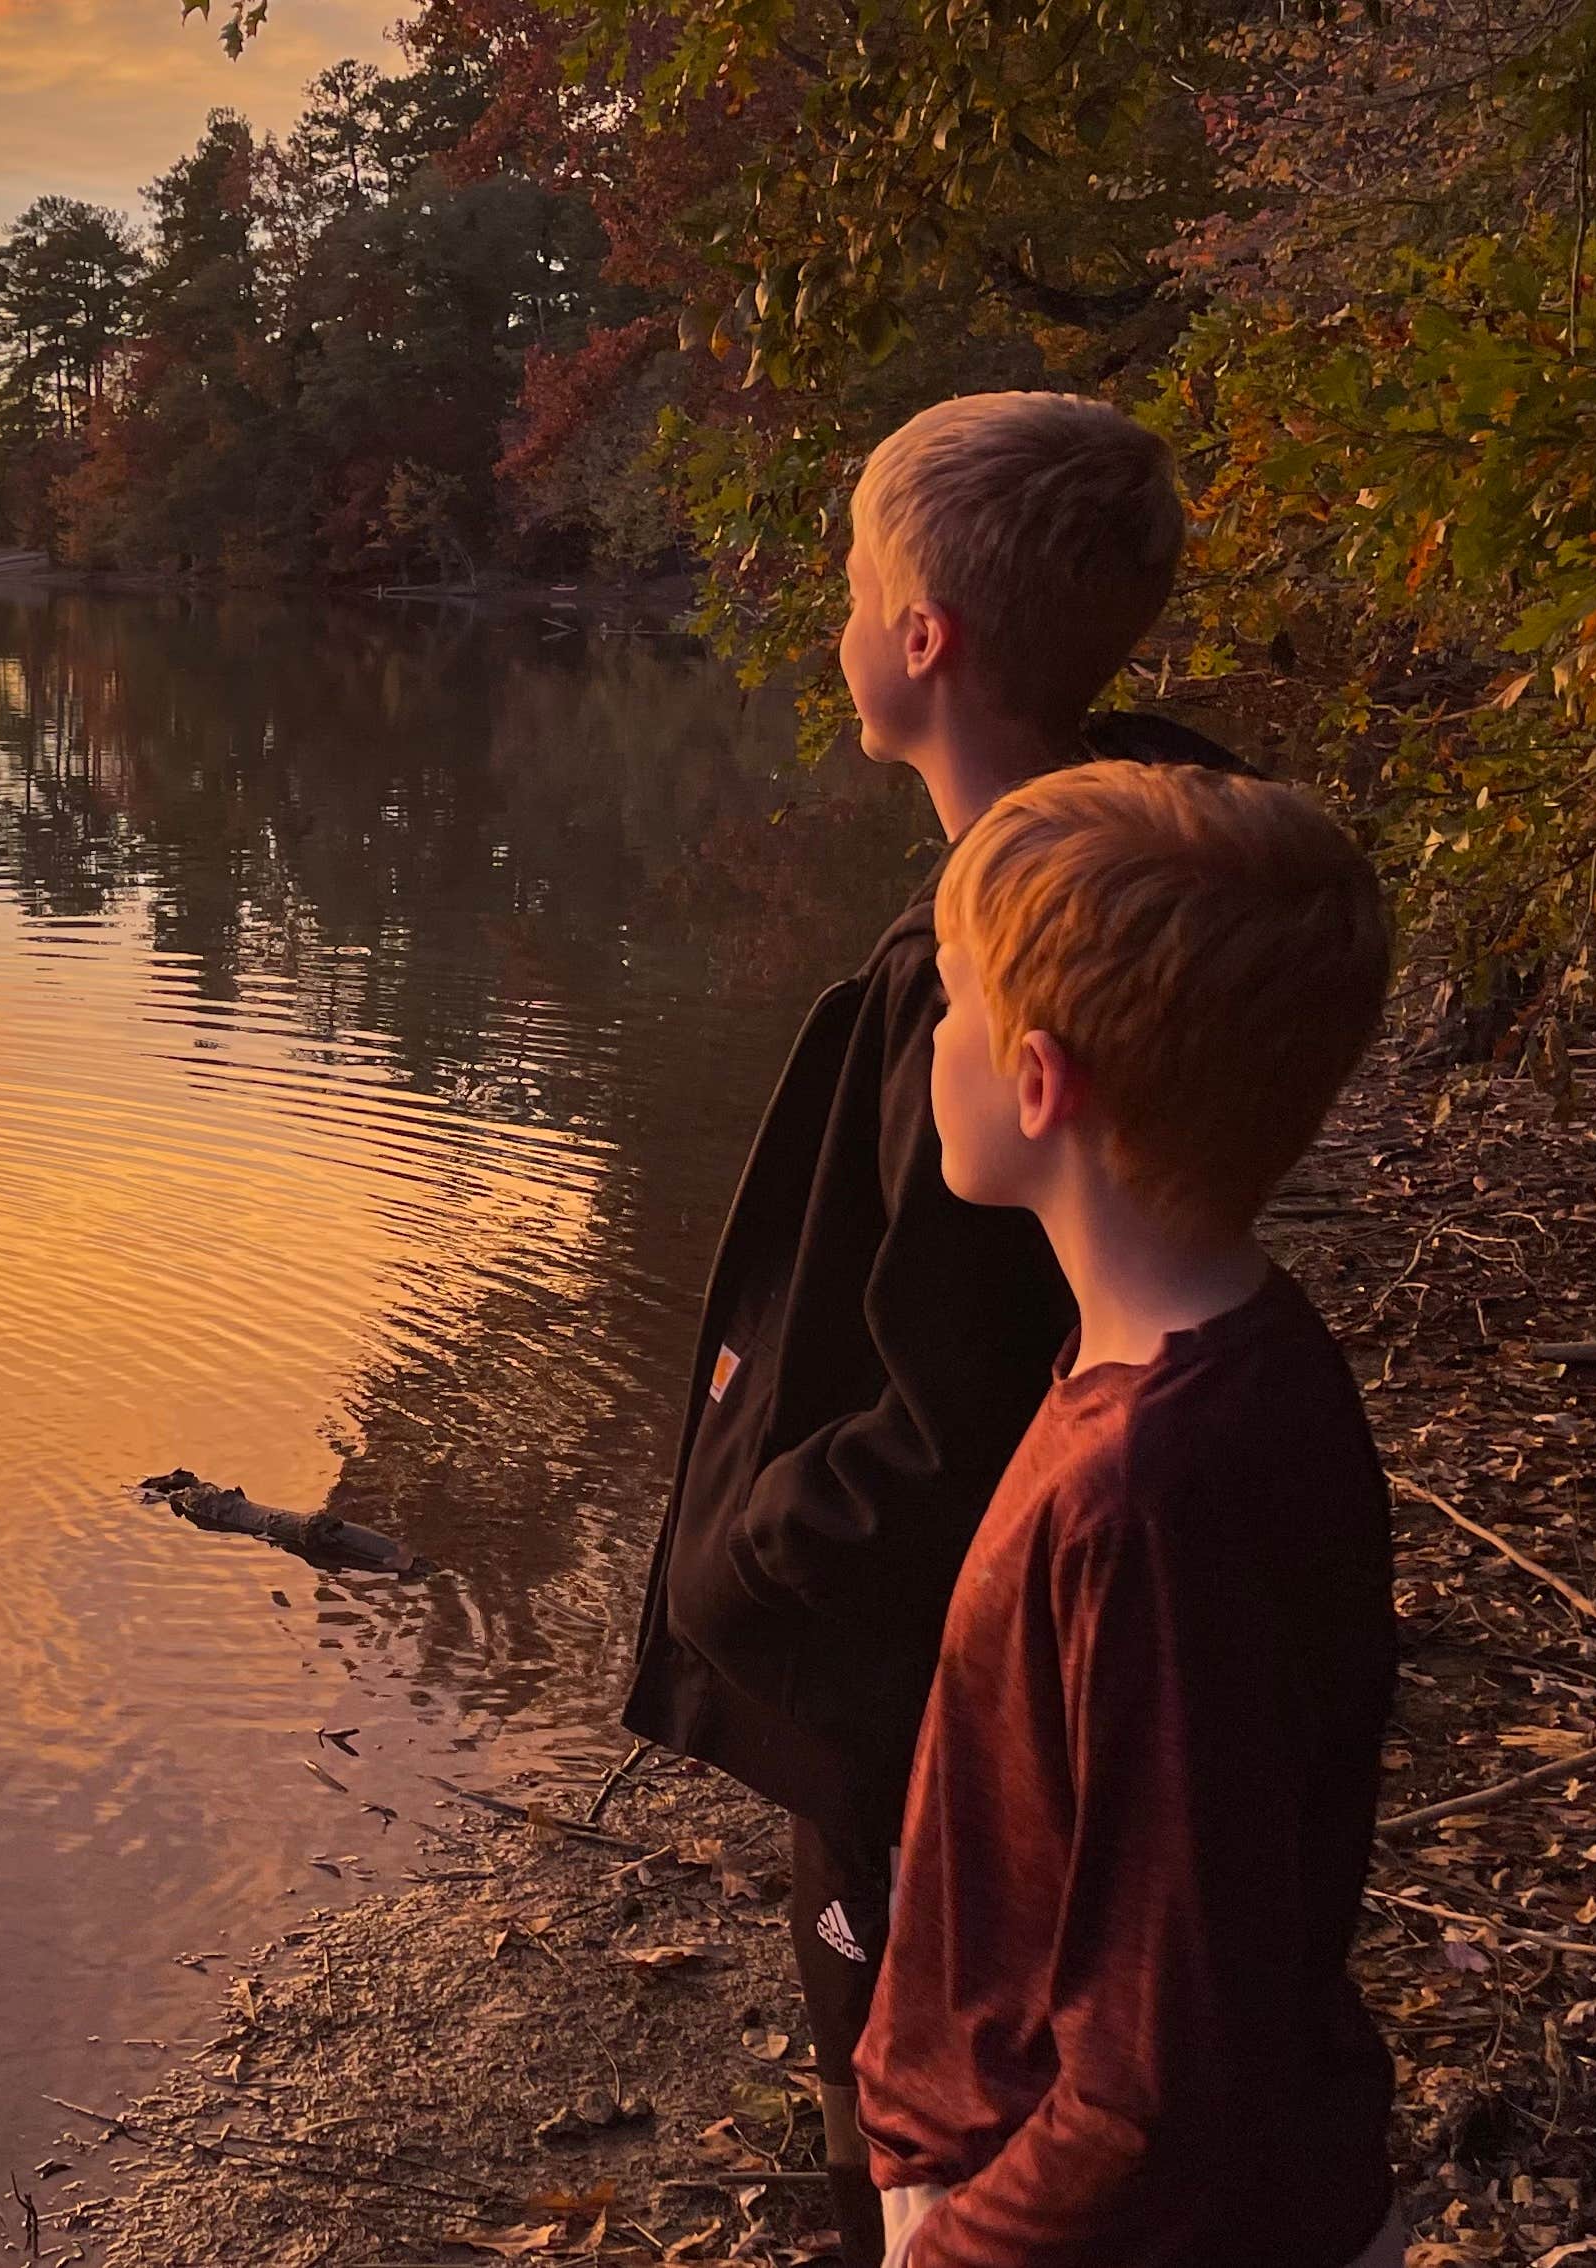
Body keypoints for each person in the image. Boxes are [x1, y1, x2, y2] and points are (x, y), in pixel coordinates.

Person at [618, 390, 1232, 2265]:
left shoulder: (987, 991)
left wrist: (742, 1564)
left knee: (906, 2108)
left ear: (923, 640)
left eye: (851, 585)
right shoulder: (1137, 895)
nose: (831, 621)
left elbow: (952, 1401)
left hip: (915, 1698)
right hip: (973, 1673)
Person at [857, 760, 1402, 2268]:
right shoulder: (1220, 1355)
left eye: (954, 1007)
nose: (931, 1044)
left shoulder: (1152, 1497)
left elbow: (1161, 2079)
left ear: (1040, 1084)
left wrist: (960, 2250)